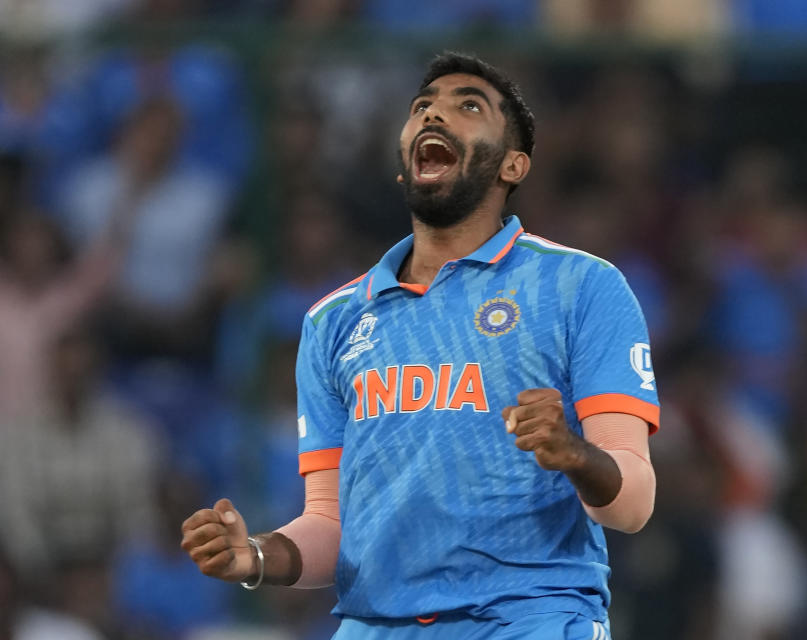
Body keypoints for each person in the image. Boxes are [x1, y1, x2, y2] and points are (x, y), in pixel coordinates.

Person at [181, 52, 659, 640]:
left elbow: (632, 504)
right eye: (422, 107)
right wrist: (254, 556)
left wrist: (575, 454)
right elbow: (332, 526)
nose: (435, 115)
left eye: (469, 106)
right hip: (376, 626)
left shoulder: (580, 286)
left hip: (527, 617)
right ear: (405, 166)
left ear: (514, 165)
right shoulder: (332, 321)